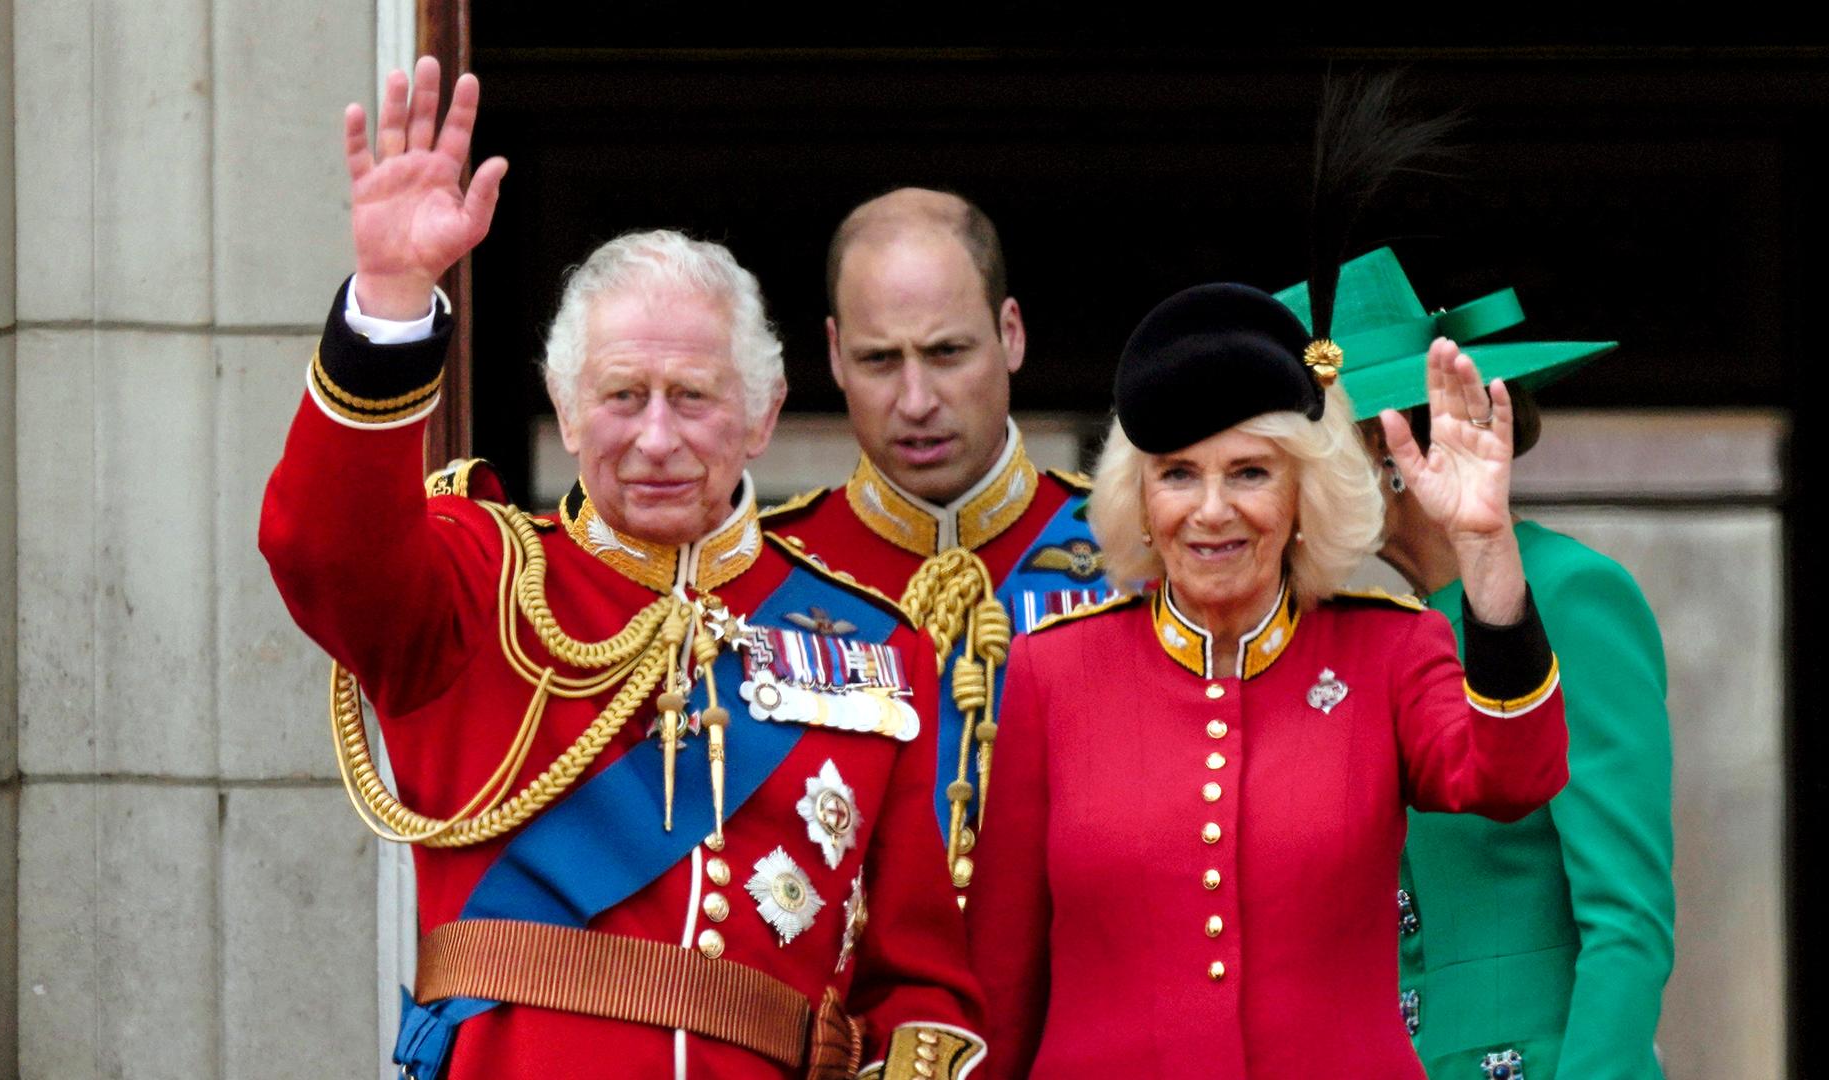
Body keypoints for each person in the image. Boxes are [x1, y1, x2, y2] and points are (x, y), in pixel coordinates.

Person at [259, 57, 984, 1080]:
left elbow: (921, 986)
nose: (654, 438)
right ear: (563, 407)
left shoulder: (874, 648)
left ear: (764, 415)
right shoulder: (478, 584)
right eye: (620, 395)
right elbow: (320, 545)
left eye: (691, 397)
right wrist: (389, 297)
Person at [967, 276, 1571, 1078]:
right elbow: (1003, 980)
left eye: (1250, 472)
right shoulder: (1056, 672)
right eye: (1178, 474)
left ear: (1302, 493)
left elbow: (1512, 775)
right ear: (1139, 500)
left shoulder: (1387, 650)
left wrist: (1485, 545)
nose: (1211, 510)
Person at [1277, 248, 1675, 1080]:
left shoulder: (1570, 593)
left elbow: (1627, 923)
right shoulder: (1387, 630)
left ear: (1384, 451)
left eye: (1302, 457)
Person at [764, 188, 1106, 903]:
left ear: (1010, 333)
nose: (916, 399)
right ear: (833, 354)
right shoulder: (764, 572)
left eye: (947, 353)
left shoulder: (1134, 556)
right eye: (881, 360)